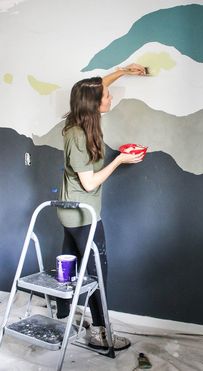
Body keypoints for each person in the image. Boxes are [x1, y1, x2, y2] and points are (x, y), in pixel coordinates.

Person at [56, 64, 146, 351]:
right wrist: (119, 160)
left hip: (70, 213)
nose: (111, 98)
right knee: (96, 273)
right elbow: (90, 183)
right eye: (107, 95)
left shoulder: (78, 119)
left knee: (69, 267)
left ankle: (63, 318)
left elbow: (93, 88)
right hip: (83, 214)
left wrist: (122, 71)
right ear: (94, 103)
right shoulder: (79, 135)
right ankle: (98, 332)